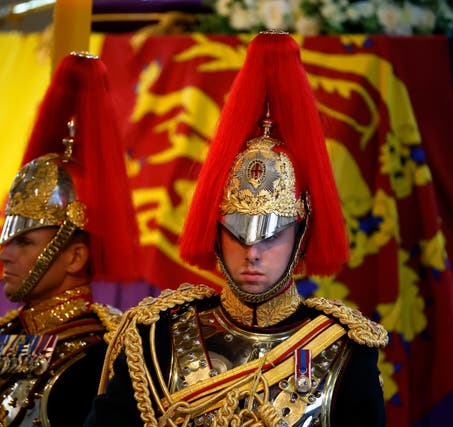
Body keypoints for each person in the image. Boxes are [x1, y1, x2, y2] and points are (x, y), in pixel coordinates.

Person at [85, 32, 388, 427]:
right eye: (237, 231)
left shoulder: (345, 350)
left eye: (272, 235)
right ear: (215, 231)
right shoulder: (154, 338)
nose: (252, 251)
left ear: (300, 234)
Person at [0, 52, 140, 427]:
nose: (4, 255)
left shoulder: (104, 356)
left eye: (25, 242)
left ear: (76, 256)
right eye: (9, 239)